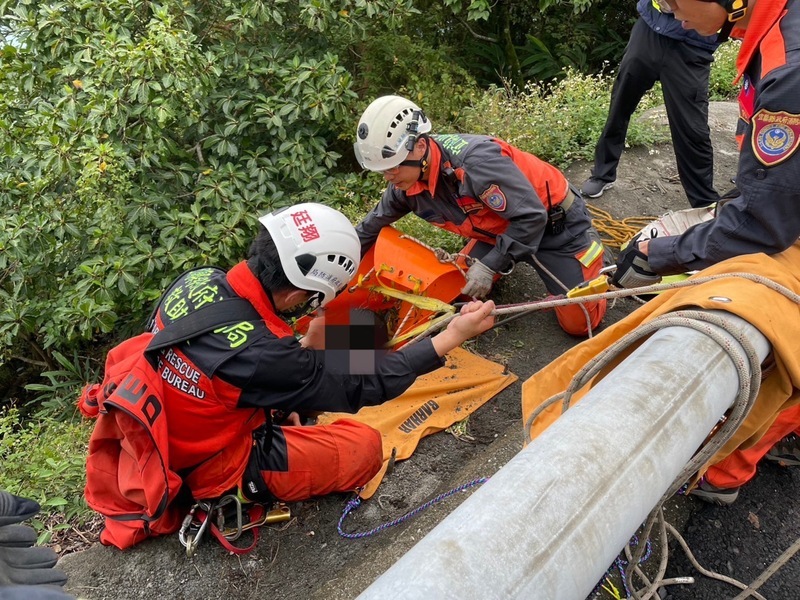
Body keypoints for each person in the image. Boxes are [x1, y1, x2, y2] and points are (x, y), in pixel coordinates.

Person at [141, 202, 495, 505]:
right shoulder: (264, 356)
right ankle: (233, 490)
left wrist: (302, 352)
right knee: (363, 447)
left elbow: (220, 357)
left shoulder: (198, 279)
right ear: (297, 296)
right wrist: (451, 336)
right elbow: (363, 384)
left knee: (346, 352)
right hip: (207, 462)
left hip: (166, 420)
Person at [611, 0, 800, 504]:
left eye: (675, 1)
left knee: (782, 351)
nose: (671, 15)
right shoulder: (770, 30)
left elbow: (764, 223)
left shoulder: (788, 68)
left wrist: (663, 254)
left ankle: (722, 474)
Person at [353, 95, 608, 336]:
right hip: (498, 232)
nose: (388, 177)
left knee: (579, 323)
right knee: (454, 293)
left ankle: (593, 254)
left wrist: (489, 266)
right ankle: (508, 255)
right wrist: (338, 264)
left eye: (393, 167)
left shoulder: (476, 164)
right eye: (382, 171)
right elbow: (369, 228)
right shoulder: (405, 186)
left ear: (420, 146)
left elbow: (531, 217)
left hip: (556, 229)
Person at [581, 0, 721, 209]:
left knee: (692, 128)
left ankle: (704, 202)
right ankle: (603, 174)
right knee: (620, 104)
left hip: (693, 46)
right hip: (649, 30)